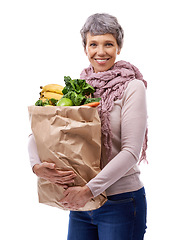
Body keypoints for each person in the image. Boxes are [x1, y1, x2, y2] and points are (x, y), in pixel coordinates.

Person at [28, 13, 148, 240]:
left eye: (108, 44)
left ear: (118, 48)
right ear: (85, 48)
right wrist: (36, 167)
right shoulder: (80, 89)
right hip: (81, 205)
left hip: (120, 202)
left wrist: (88, 191)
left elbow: (132, 152)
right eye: (93, 44)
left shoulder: (132, 87)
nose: (100, 52)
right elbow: (41, 132)